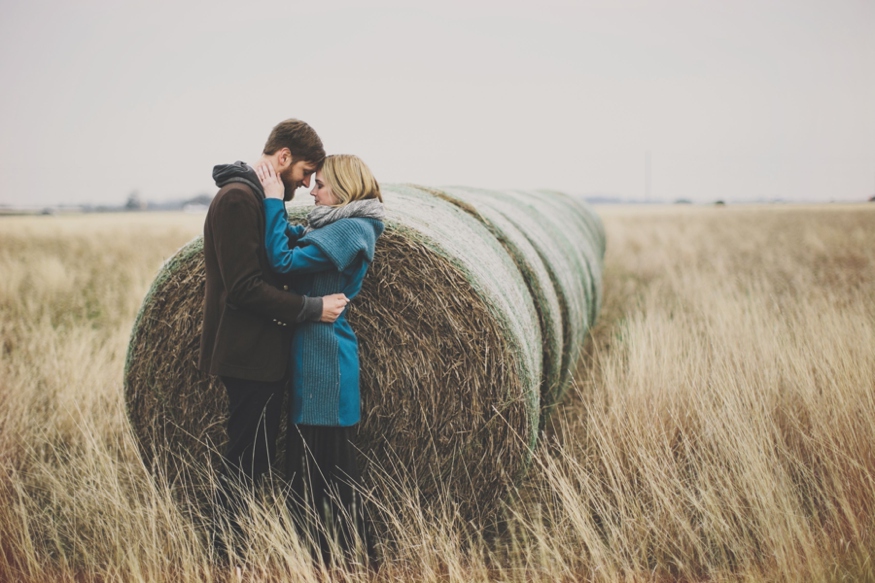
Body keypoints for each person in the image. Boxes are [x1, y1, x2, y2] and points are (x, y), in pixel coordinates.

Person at [199, 119, 349, 556]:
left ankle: (235, 548)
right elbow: (244, 287)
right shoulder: (236, 201)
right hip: (247, 352)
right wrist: (312, 309)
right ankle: (223, 554)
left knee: (257, 456)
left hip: (260, 351)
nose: (306, 184)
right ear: (283, 158)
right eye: (305, 172)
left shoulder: (254, 198)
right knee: (247, 457)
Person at [255, 154, 384, 563]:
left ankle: (343, 557)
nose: (312, 190)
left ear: (344, 190)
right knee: (321, 466)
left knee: (320, 468)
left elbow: (283, 260)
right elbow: (296, 240)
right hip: (318, 355)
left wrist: (274, 200)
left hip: (325, 362)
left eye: (321, 184)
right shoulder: (336, 226)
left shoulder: (350, 231)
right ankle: (337, 555)